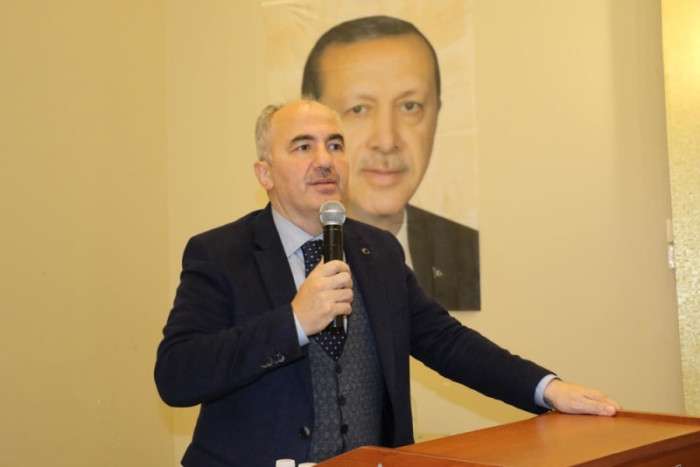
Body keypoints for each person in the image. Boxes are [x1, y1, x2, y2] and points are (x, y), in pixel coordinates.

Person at [155, 100, 620, 467]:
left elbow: (447, 341)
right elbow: (177, 375)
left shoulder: (377, 251)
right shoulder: (220, 253)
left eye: (335, 145)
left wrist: (546, 388)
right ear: (265, 174)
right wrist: (293, 322)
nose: (325, 161)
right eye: (303, 147)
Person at [301, 15, 480, 311]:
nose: (386, 141)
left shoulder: (465, 249)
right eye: (358, 109)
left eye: (410, 106)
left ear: (437, 114)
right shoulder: (268, 258)